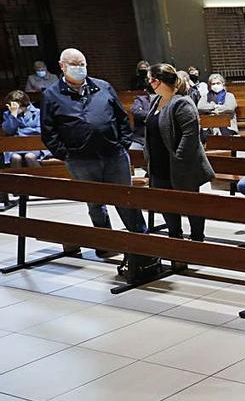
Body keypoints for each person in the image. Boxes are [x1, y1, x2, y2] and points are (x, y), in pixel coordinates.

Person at [41, 48, 152, 270]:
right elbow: (48, 131)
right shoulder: (51, 94)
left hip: (114, 154)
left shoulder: (102, 86)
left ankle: (141, 241)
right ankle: (105, 243)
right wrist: (65, 153)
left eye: (81, 63)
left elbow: (122, 117)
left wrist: (124, 143)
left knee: (126, 198)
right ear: (62, 66)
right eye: (73, 64)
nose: (79, 67)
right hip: (81, 159)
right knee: (95, 203)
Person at [143, 64, 214, 256]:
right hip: (159, 164)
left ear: (157, 81)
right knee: (167, 204)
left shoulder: (181, 102)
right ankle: (175, 239)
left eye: (150, 79)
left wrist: (178, 158)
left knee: (190, 205)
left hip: (181, 167)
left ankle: (198, 242)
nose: (149, 83)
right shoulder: (156, 101)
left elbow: (190, 136)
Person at [2, 91, 47, 168]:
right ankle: (17, 180)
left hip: (34, 145)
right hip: (15, 146)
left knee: (29, 156)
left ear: (23, 104)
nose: (13, 108)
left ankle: (39, 179)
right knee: (16, 158)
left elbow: (39, 130)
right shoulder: (8, 114)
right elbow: (8, 131)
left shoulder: (38, 112)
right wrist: (13, 116)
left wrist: (18, 132)